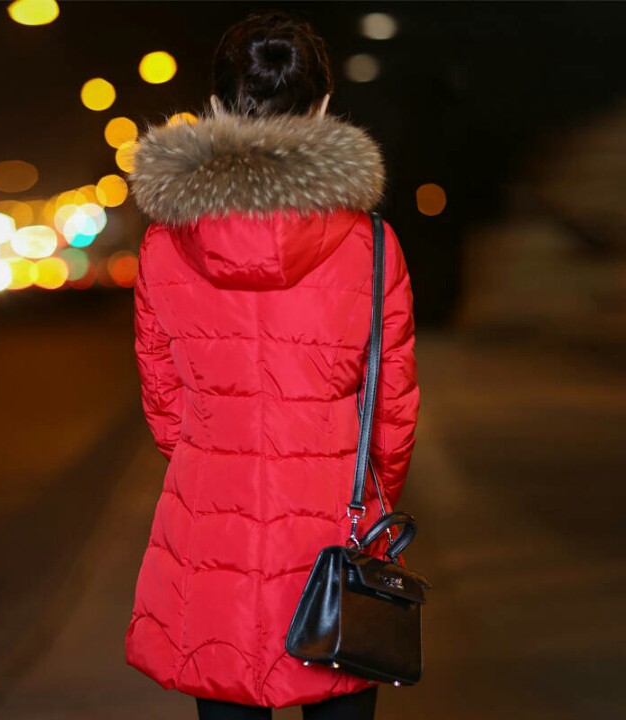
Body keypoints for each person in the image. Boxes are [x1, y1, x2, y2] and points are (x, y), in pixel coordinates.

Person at [124, 10, 420, 720]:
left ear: (216, 105)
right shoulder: (373, 245)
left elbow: (163, 400)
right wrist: (366, 491)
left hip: (209, 524)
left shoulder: (165, 244)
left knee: (223, 687)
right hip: (332, 527)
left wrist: (213, 459)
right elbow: (392, 409)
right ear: (322, 107)